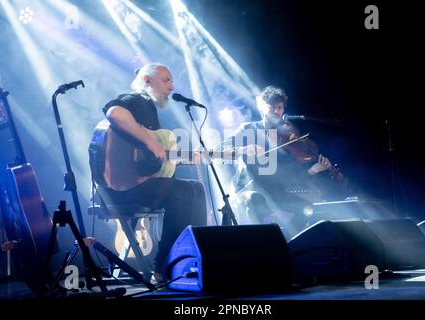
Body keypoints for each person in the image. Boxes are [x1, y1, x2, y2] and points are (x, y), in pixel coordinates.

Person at [98, 63, 207, 283]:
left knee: (194, 188)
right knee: (185, 192)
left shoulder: (148, 110)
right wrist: (150, 141)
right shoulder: (138, 99)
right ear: (148, 81)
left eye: (172, 81)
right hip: (120, 189)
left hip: (133, 185)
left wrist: (180, 156)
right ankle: (166, 266)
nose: (172, 86)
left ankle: (189, 259)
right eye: (166, 80)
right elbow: (114, 113)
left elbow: (148, 160)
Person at [226, 85, 345, 239]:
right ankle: (259, 243)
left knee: (306, 208)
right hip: (246, 189)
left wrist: (314, 169)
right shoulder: (247, 129)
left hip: (272, 191)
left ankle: (284, 240)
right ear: (261, 107)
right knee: (256, 201)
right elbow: (224, 150)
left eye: (280, 107)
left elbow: (292, 175)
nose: (277, 111)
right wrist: (244, 149)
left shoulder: (285, 136)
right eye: (272, 107)